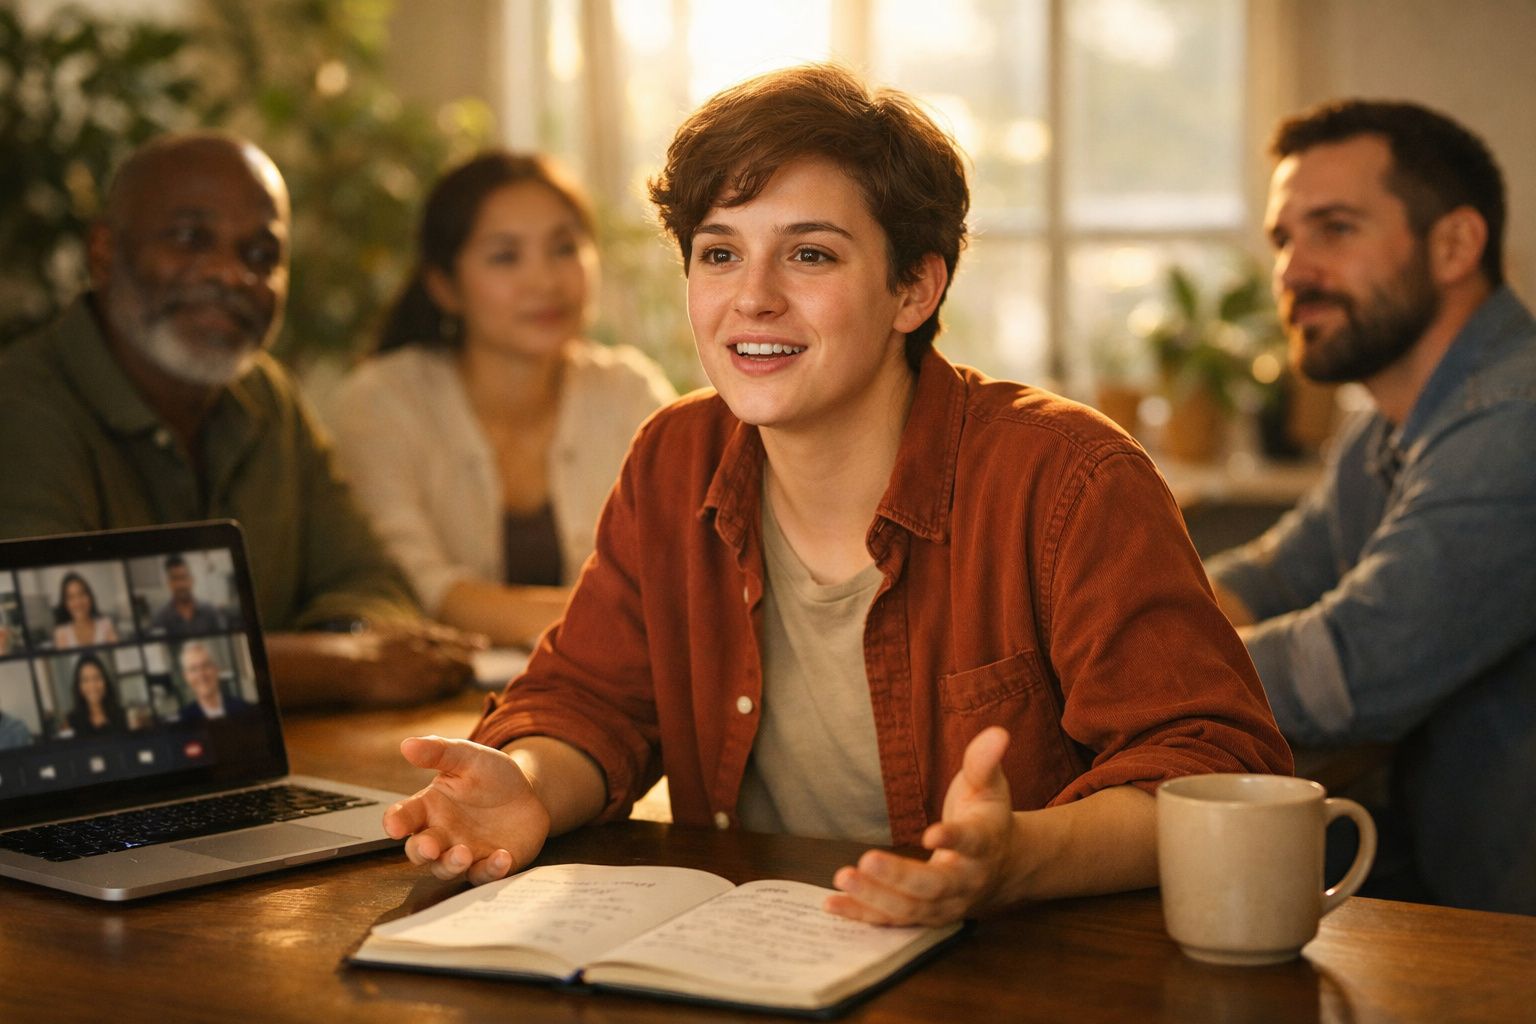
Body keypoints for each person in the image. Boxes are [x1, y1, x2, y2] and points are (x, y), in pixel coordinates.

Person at [383, 64, 1290, 927]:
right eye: (719, 253)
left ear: (914, 288)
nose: (753, 299)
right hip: (753, 964)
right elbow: (592, 702)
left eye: (809, 254)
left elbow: (1212, 764)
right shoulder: (675, 455)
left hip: (1022, 974)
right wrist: (529, 785)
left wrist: (1016, 858)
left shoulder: (1069, 477)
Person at [0, 132, 481, 708]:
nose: (231, 275)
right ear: (104, 252)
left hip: (274, 763)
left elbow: (371, 583)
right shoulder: (23, 404)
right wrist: (334, 669)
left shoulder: (267, 397)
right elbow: (46, 662)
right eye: (190, 239)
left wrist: (342, 644)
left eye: (261, 255)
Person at [1206, 100, 1536, 915]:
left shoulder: (1520, 416)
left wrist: (1128, 666)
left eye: (1336, 229)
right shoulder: (1380, 430)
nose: (1292, 269)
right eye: (1285, 237)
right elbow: (1272, 574)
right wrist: (1098, 616)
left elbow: (1352, 668)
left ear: (1455, 245)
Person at [329, 152, 676, 647]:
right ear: (444, 287)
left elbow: (680, 577)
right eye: (505, 256)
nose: (545, 281)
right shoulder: (381, 403)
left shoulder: (628, 391)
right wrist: (613, 623)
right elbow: (418, 588)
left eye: (564, 248)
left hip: (610, 698)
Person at [150, 555, 227, 636]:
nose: (181, 584)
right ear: (169, 583)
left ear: (191, 580)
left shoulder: (210, 611)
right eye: (175, 578)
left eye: (184, 577)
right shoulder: (160, 618)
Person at [175, 640, 249, 722]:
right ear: (186, 677)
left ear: (216, 669)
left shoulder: (244, 709)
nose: (201, 675)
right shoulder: (182, 719)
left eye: (205, 665)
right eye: (193, 669)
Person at [52, 571, 120, 649]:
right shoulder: (61, 633)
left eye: (82, 594)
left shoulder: (106, 625)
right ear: (65, 604)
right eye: (71, 597)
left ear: (90, 597)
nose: (78, 602)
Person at [65, 652, 128, 737]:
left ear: (105, 681)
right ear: (78, 686)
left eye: (97, 678)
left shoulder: (122, 716)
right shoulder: (71, 722)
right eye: (85, 680)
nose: (92, 685)